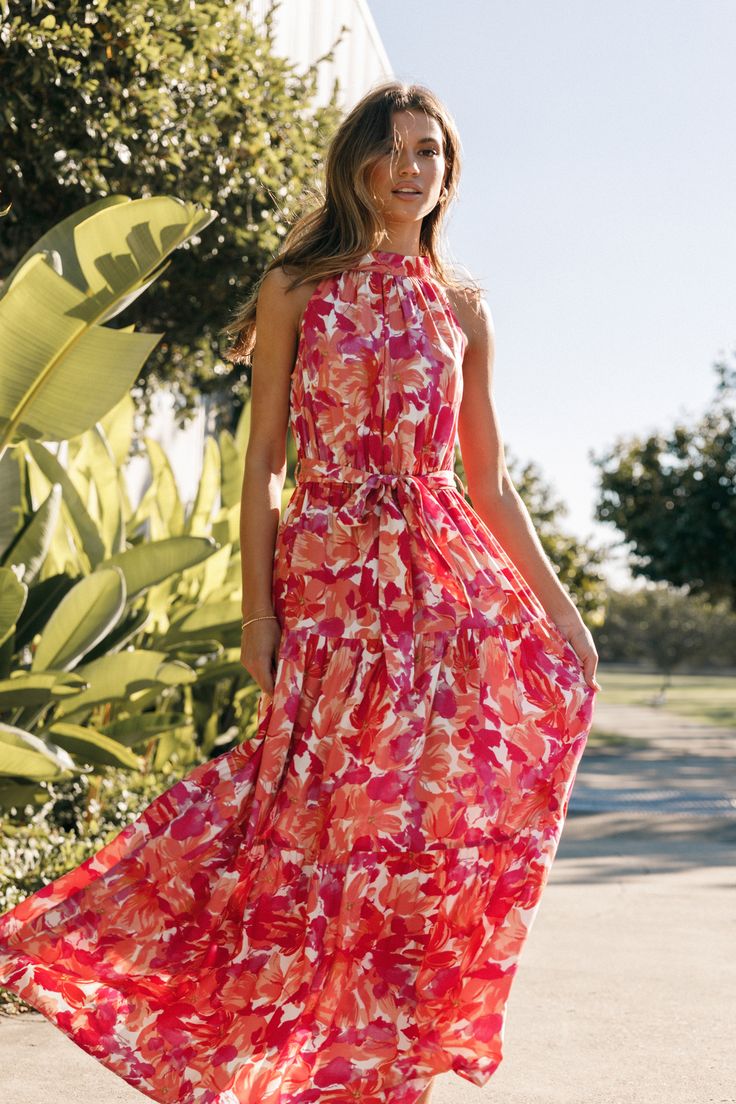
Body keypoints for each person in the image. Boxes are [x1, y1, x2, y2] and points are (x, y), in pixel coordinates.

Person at [0, 81, 600, 1104]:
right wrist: (258, 611)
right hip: (324, 571)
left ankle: (379, 1052)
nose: (413, 169)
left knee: (411, 819)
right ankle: (245, 1019)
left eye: (431, 154)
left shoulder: (462, 308)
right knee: (308, 808)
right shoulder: (296, 283)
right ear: (358, 162)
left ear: (449, 176)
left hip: (433, 578)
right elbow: (264, 459)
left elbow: (486, 479)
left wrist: (563, 616)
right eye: (395, 150)